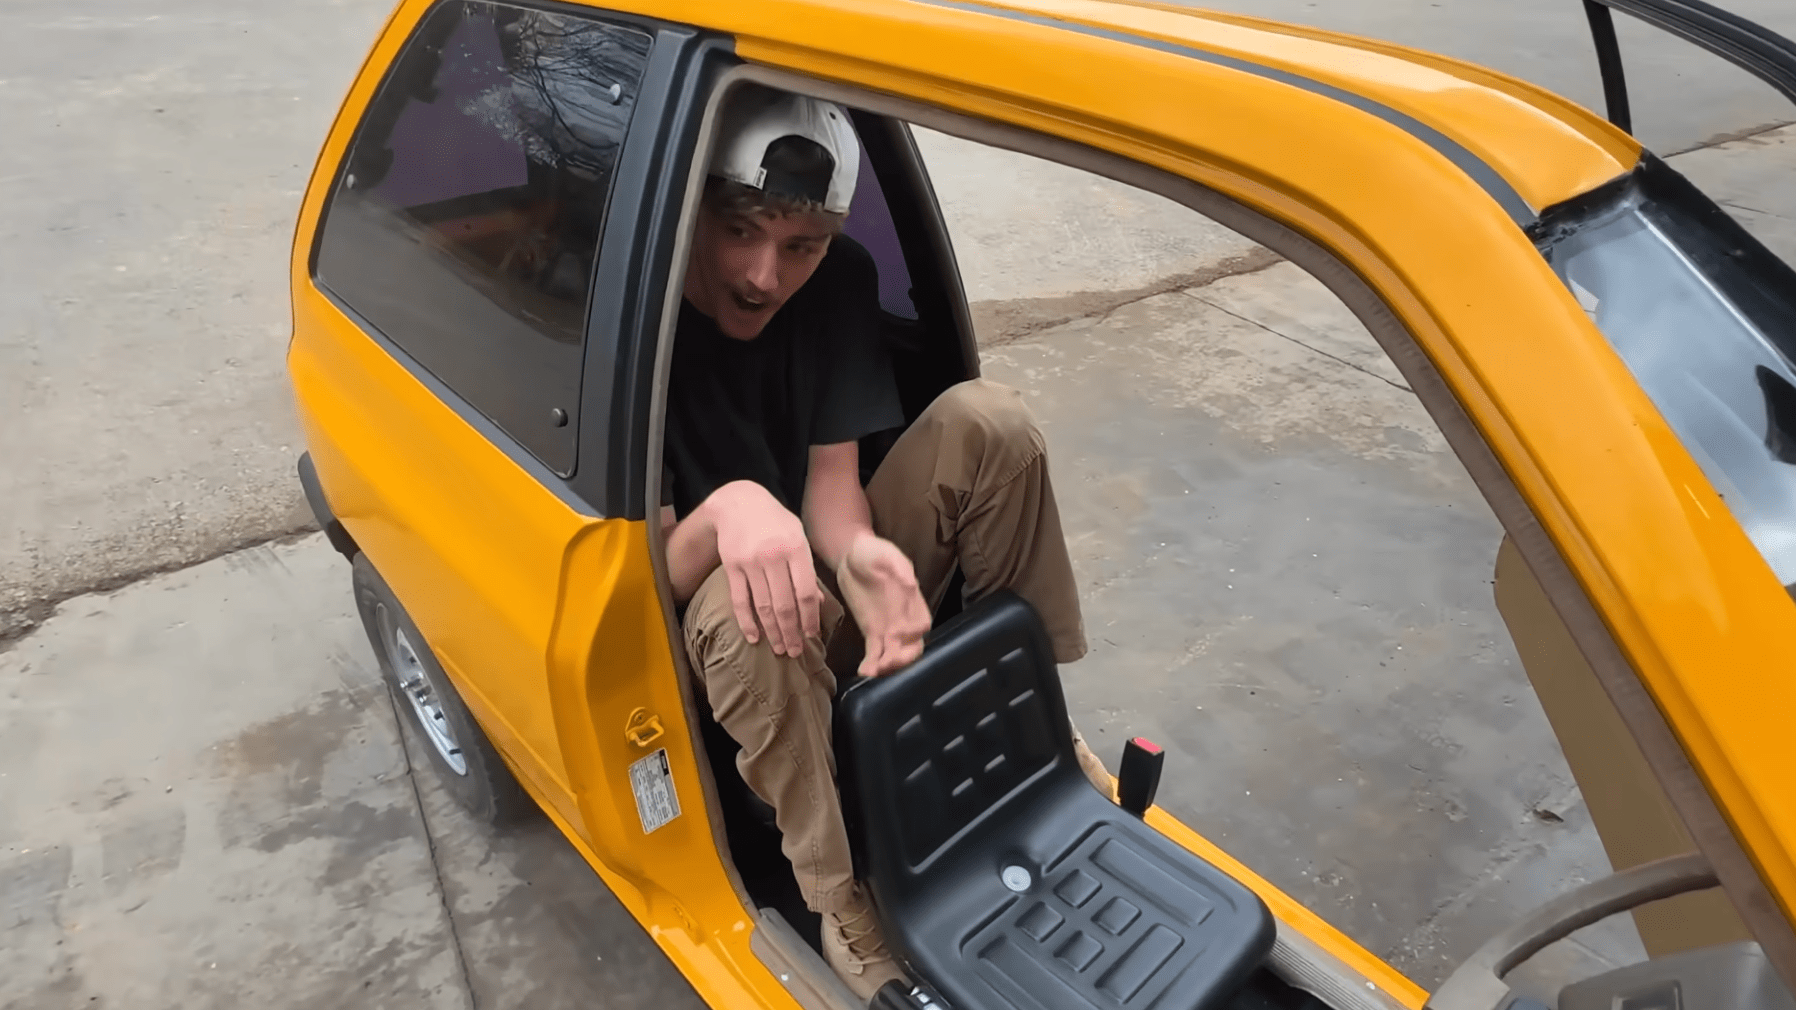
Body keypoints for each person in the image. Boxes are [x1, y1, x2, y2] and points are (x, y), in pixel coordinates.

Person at [660, 85, 1111, 1001]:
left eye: (800, 246)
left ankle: (1031, 720)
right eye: (741, 230)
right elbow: (649, 583)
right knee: (751, 609)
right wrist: (730, 511)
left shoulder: (840, 283)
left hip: (812, 577)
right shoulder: (650, 317)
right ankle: (837, 895)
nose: (764, 275)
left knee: (991, 423)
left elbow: (833, 485)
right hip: (714, 618)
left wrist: (860, 555)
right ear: (697, 211)